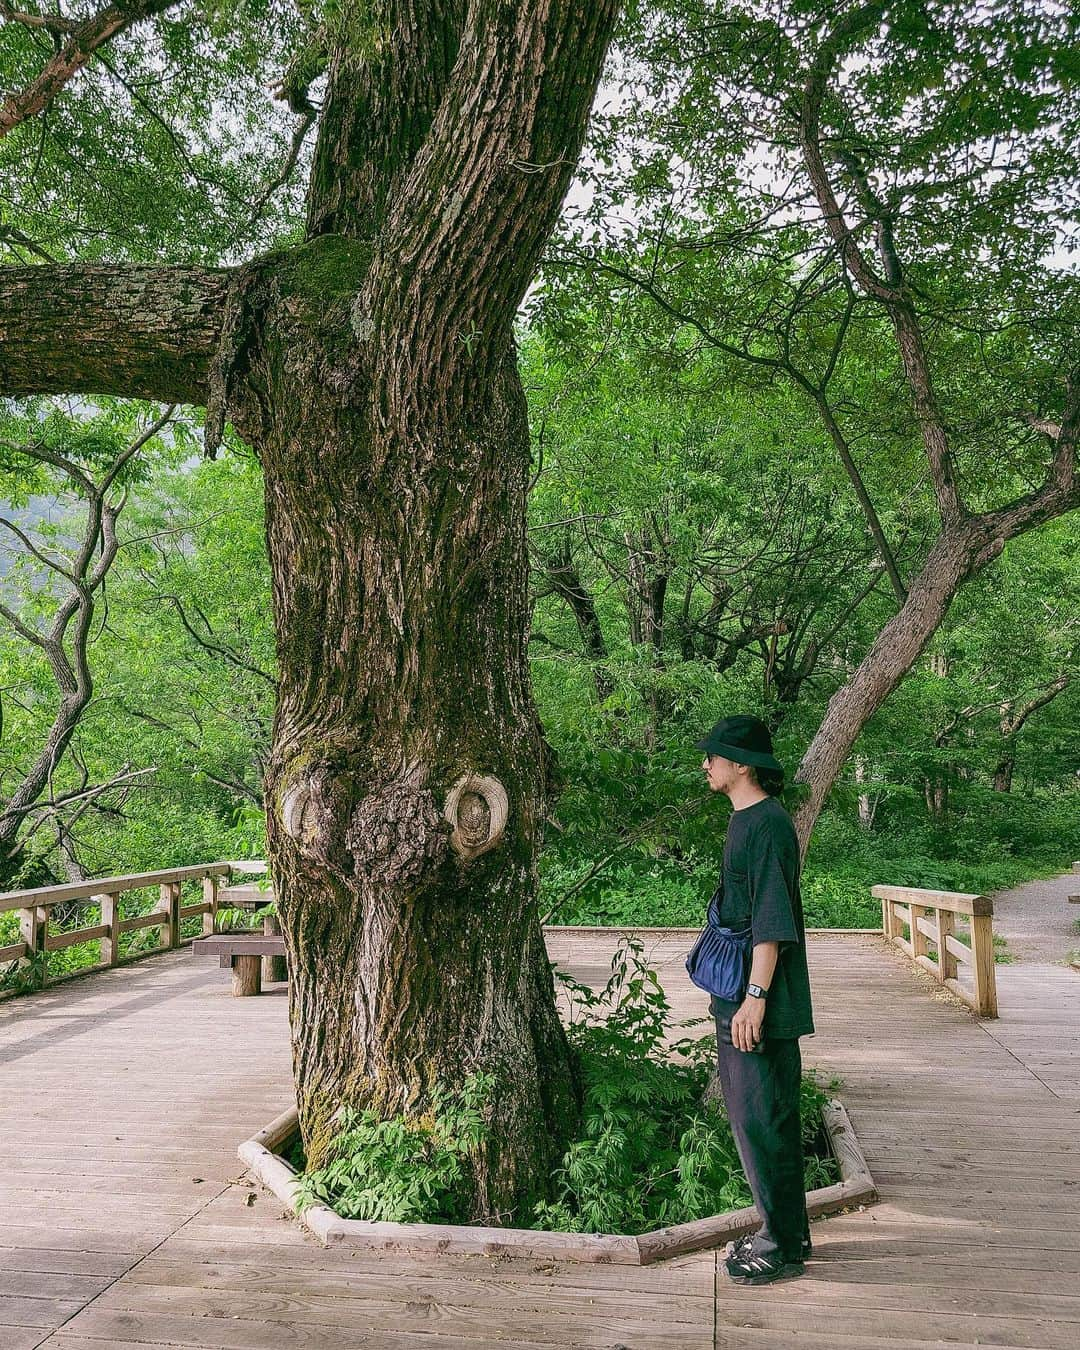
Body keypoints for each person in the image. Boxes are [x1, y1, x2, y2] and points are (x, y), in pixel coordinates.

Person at [694, 713, 815, 1286]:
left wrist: (755, 998)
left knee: (760, 1119)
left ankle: (780, 1246)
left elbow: (773, 919)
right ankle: (788, 1235)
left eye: (714, 755)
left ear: (741, 765)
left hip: (757, 998)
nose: (707, 764)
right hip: (742, 993)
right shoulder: (747, 821)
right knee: (762, 1118)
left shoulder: (766, 825)